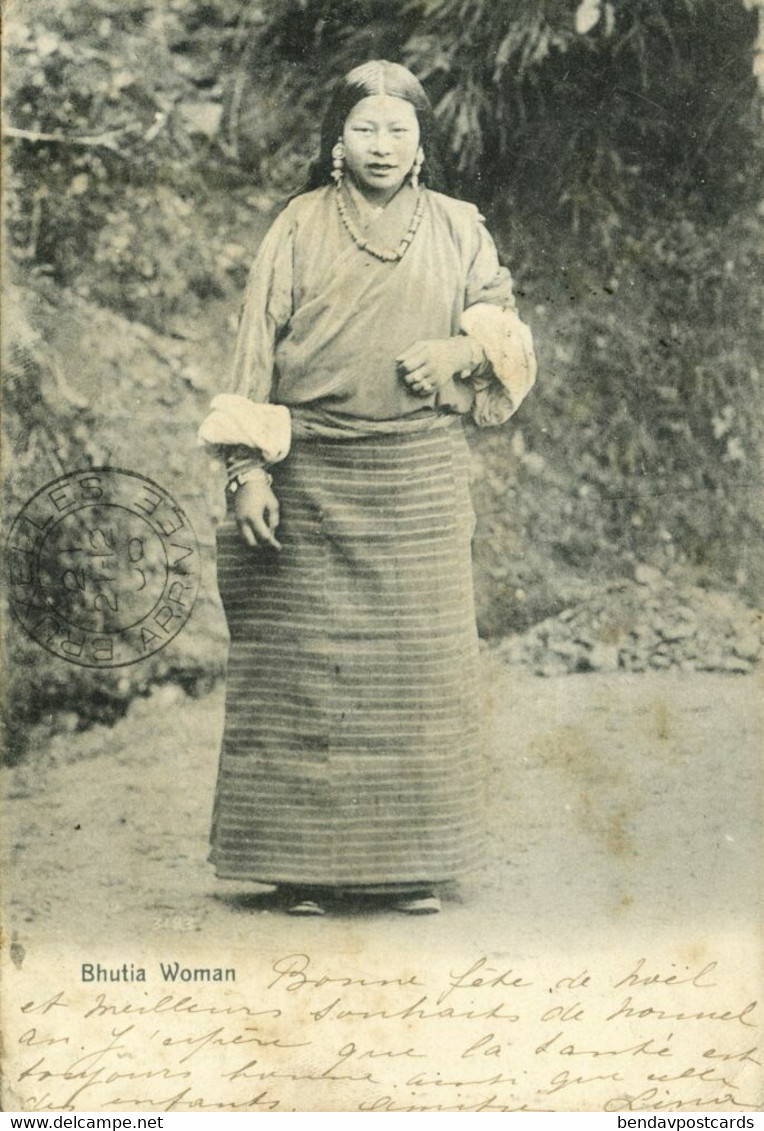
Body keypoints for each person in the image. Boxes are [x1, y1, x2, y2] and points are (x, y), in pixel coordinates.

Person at [198, 59, 536, 917]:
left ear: (422, 142)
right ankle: (303, 867)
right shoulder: (299, 226)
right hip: (311, 473)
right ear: (337, 142)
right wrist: (248, 469)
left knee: (419, 675)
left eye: (399, 130)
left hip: (419, 478)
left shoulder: (460, 228)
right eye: (364, 130)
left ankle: (411, 866)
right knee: (306, 673)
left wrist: (457, 353)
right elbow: (254, 352)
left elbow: (502, 327)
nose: (382, 146)